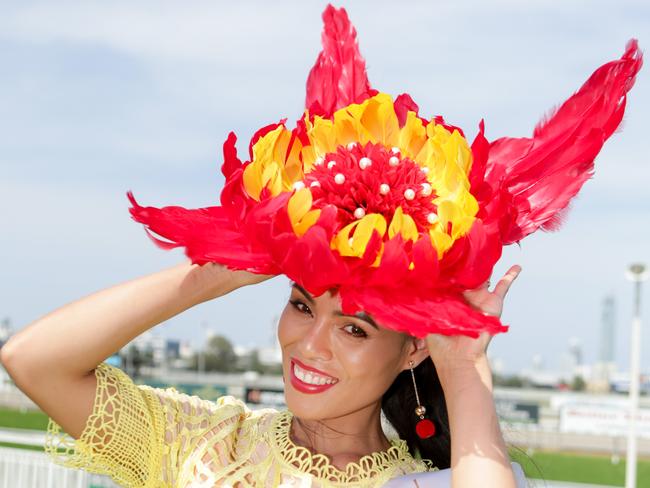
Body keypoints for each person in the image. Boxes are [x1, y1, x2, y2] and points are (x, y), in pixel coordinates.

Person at [1, 4, 641, 488]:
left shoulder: (440, 479)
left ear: (410, 348)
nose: (309, 344)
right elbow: (34, 361)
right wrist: (219, 268)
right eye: (303, 304)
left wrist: (461, 366)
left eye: (355, 329)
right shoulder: (202, 444)